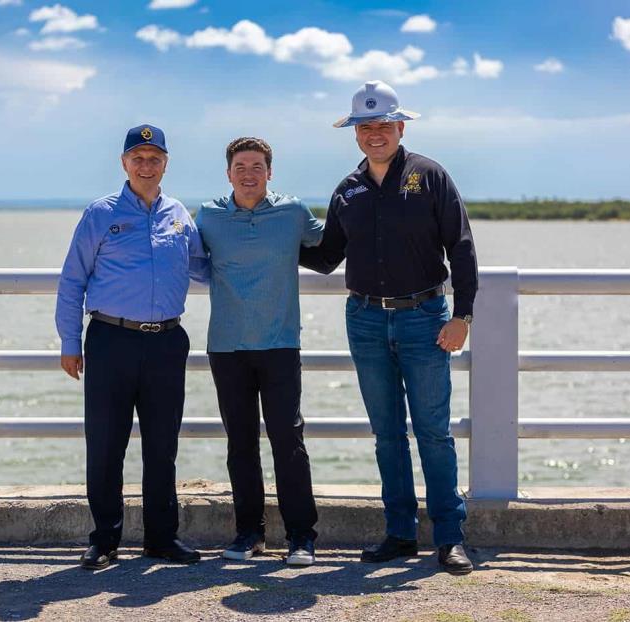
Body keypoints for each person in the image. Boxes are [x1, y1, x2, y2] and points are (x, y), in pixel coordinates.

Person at [300, 81, 478, 575]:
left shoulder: (430, 175)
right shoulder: (347, 190)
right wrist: (268, 234)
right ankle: (399, 534)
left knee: (434, 433)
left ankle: (449, 537)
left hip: (426, 319)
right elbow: (326, 256)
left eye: (383, 125)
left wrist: (463, 316)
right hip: (366, 320)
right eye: (366, 126)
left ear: (400, 127)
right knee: (386, 435)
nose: (375, 134)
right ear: (355, 133)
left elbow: (461, 247)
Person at [55, 124, 209, 568]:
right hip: (110, 339)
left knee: (163, 446)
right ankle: (104, 540)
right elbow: (72, 281)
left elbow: (202, 267)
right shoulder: (100, 214)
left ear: (165, 164)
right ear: (124, 163)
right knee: (105, 444)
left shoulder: (179, 214)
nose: (146, 165)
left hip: (166, 342)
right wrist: (70, 340)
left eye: (154, 158)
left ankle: (162, 538)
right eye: (138, 157)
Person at [196, 137, 323, 566]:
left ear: (270, 172)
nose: (248, 173)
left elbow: (336, 245)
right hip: (227, 346)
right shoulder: (209, 217)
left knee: (288, 439)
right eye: (240, 166)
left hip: (280, 343)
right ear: (228, 172)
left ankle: (302, 537)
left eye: (257, 166)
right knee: (241, 443)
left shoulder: (293, 213)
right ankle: (249, 534)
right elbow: (183, 258)